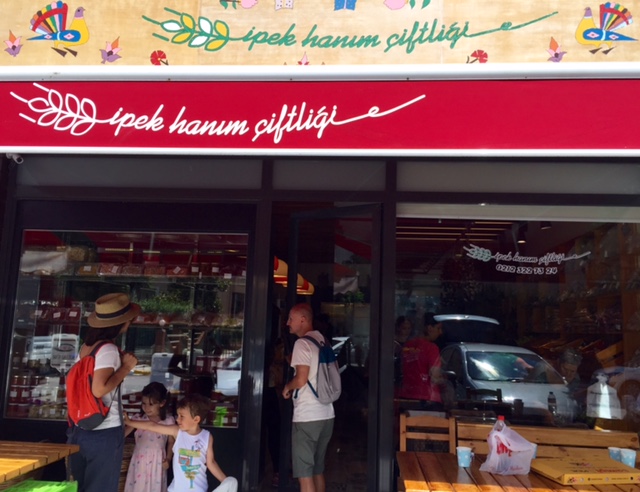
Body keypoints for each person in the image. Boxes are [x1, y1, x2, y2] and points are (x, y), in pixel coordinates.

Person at [67, 292, 140, 492]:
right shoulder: (108, 349)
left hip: (80, 428)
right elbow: (99, 389)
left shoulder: (87, 347)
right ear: (122, 323)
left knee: (80, 486)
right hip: (104, 430)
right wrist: (126, 368)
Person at [124, 394, 237, 492]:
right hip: (177, 489)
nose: (178, 419)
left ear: (196, 419)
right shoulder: (177, 432)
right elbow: (152, 426)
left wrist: (226, 482)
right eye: (178, 415)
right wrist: (130, 422)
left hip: (199, 489)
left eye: (182, 416)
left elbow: (211, 462)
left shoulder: (206, 436)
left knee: (232, 481)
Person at [282, 303, 335, 492]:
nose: (287, 323)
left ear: (303, 320)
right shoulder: (322, 340)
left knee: (304, 475)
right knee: (317, 470)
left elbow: (301, 379)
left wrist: (287, 387)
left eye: (291, 318)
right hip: (327, 414)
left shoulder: (302, 343)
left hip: (307, 416)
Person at [124, 382, 176, 492]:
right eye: (144, 403)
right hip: (140, 462)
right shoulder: (137, 419)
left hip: (158, 463)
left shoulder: (168, 421)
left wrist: (168, 458)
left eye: (151, 404)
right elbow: (123, 434)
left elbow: (171, 442)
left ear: (162, 403)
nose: (146, 408)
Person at [397, 312, 444, 410]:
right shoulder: (432, 348)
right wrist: (445, 380)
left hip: (406, 396)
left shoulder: (407, 345)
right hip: (427, 399)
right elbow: (435, 377)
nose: (440, 332)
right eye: (438, 328)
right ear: (429, 328)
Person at [393, 316, 412, 392]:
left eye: (409, 328)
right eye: (404, 328)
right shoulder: (392, 344)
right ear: (398, 328)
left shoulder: (412, 344)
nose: (407, 331)